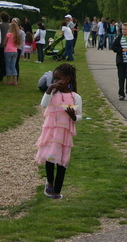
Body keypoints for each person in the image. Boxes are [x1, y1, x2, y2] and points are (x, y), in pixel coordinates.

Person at [35, 63, 82, 200]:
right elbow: (43, 105)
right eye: (54, 79)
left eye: (57, 79)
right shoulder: (53, 94)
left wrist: (73, 116)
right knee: (50, 157)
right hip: (51, 131)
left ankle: (57, 190)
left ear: (67, 79)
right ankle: (49, 181)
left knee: (62, 161)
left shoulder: (75, 97)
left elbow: (79, 116)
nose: (55, 82)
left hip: (65, 133)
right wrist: (49, 89)